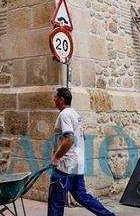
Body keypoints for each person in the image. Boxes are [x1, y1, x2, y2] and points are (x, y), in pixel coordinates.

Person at [47, 87, 114, 216]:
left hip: (65, 167)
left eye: (55, 98)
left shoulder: (64, 114)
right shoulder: (75, 115)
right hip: (77, 166)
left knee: (55, 200)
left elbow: (69, 139)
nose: (54, 100)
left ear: (61, 99)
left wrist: (56, 157)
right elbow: (83, 137)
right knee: (81, 196)